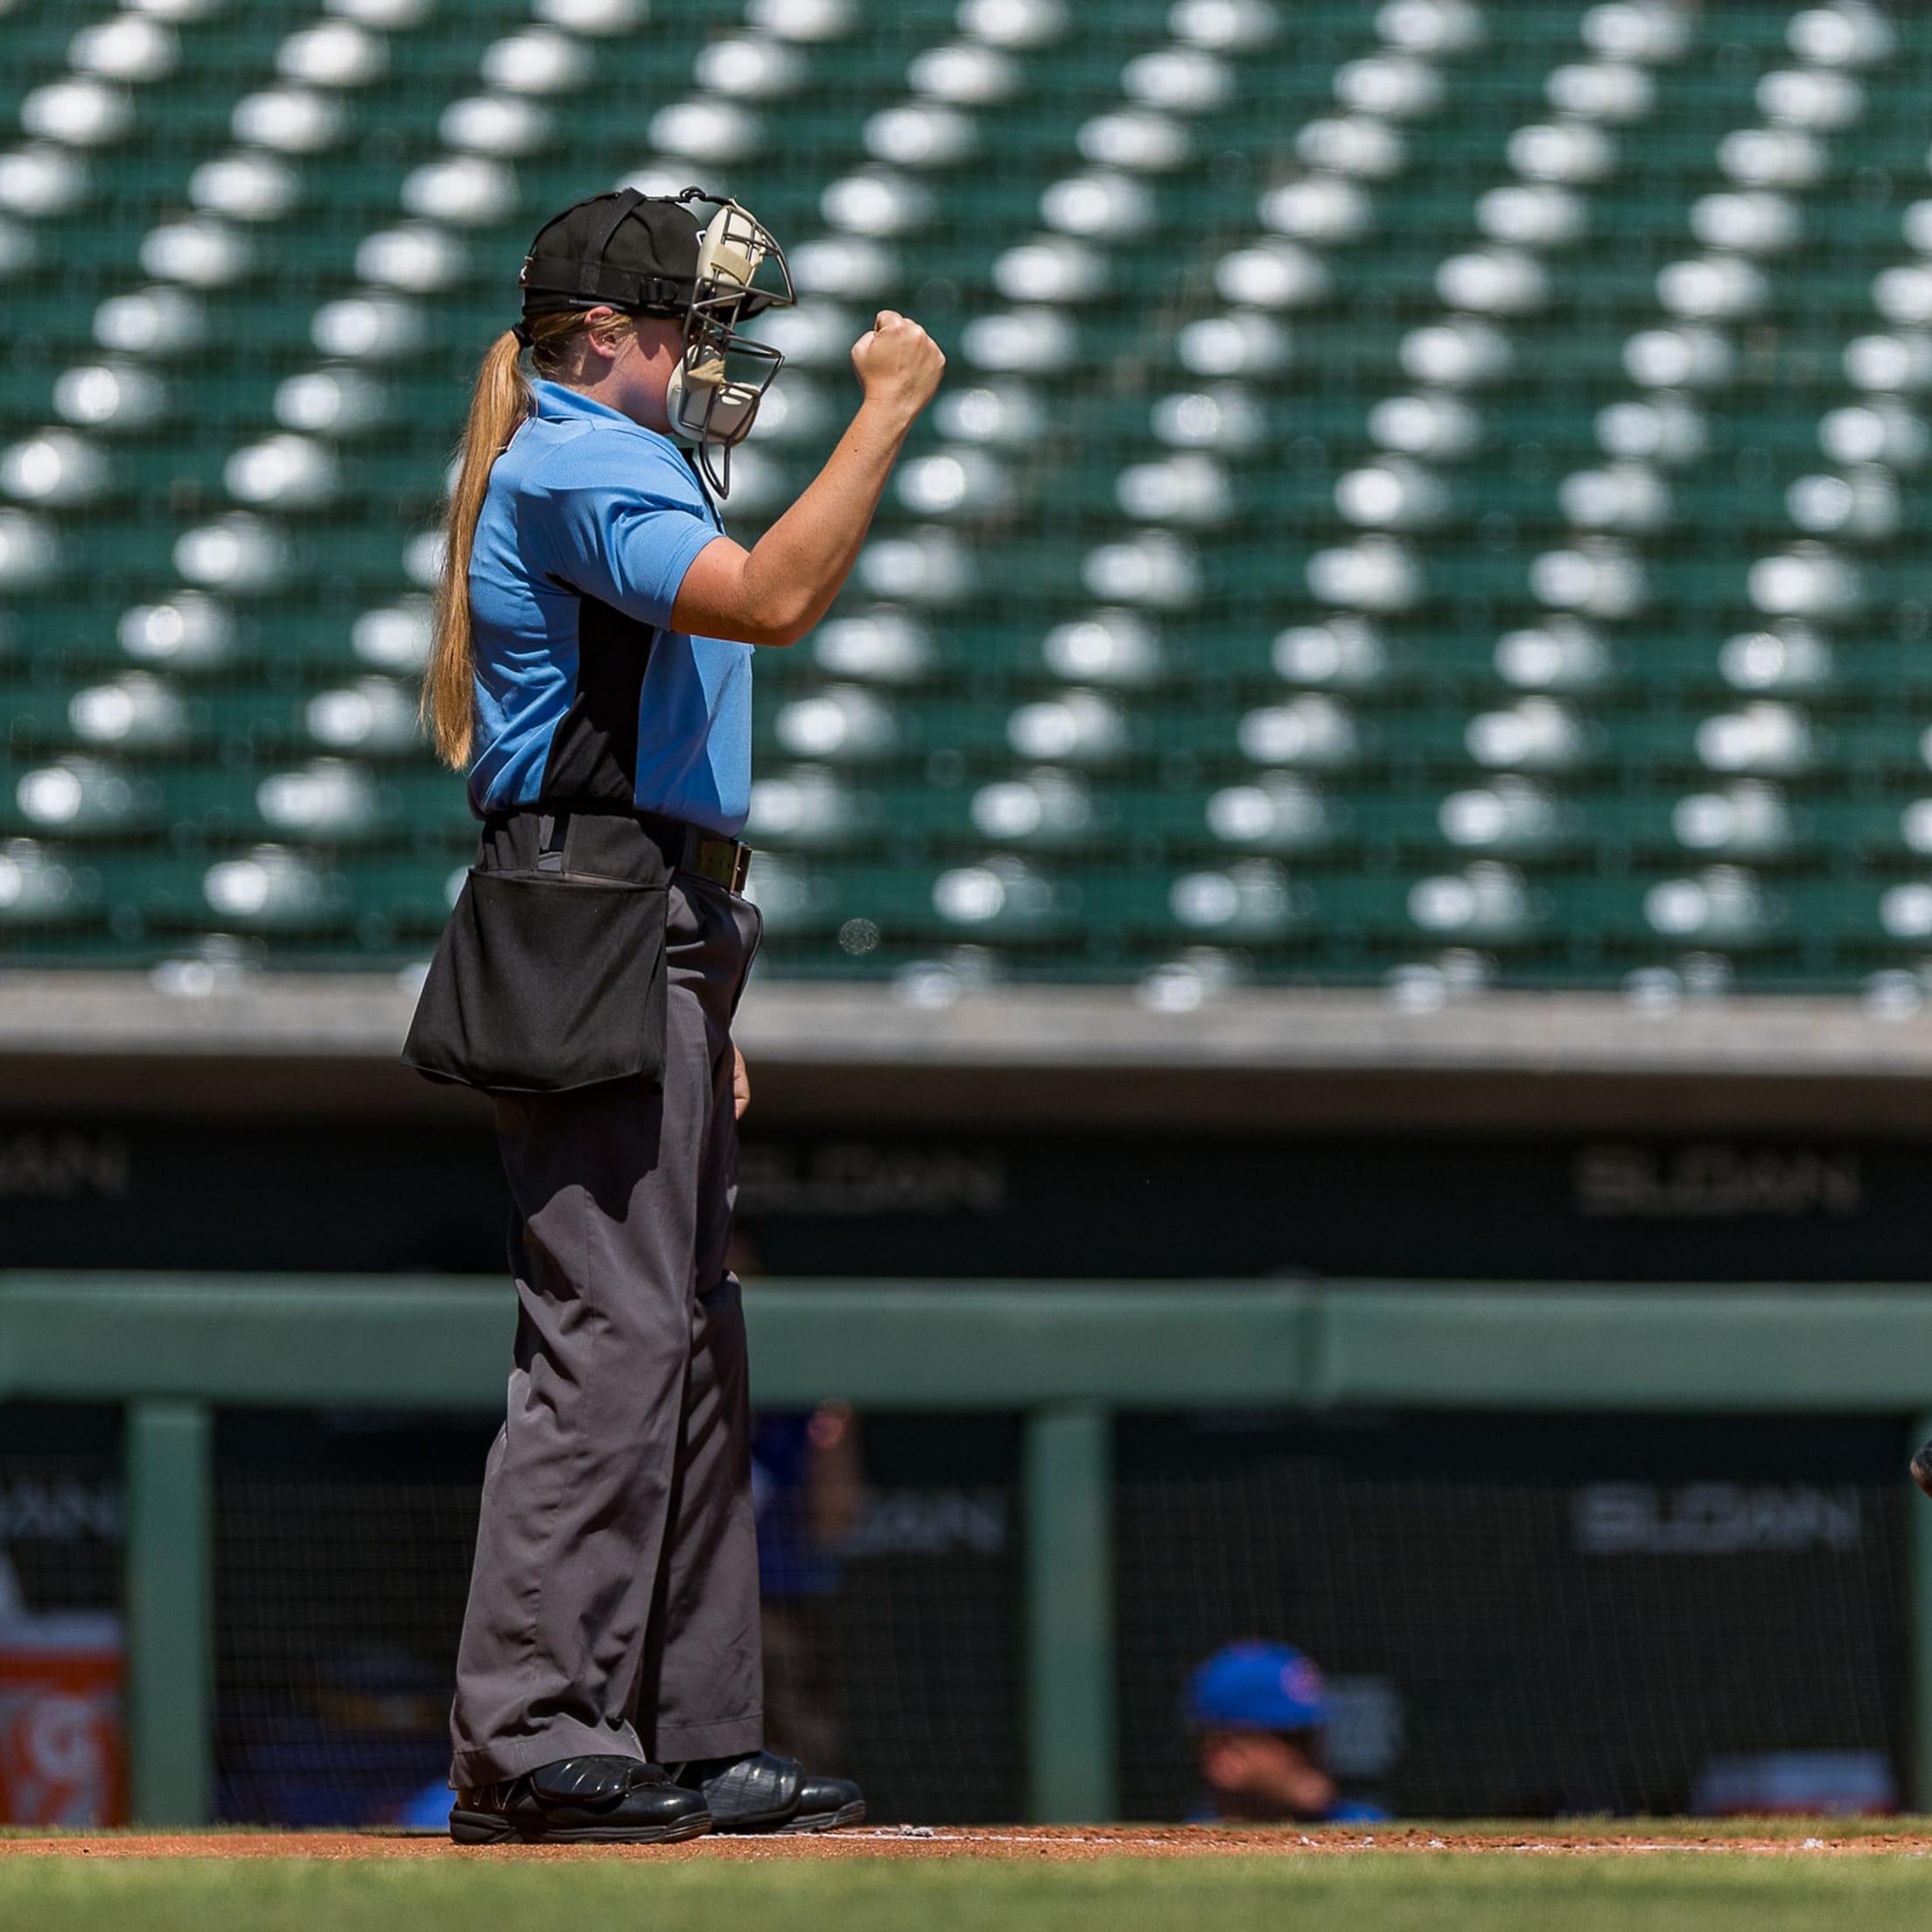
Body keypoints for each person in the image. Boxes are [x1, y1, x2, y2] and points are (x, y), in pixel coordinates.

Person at [402, 186, 944, 1844]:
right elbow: (773, 597)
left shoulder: (620, 457)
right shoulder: (575, 451)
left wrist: (708, 968)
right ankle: (529, 1735)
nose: (715, 361)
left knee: (693, 1339)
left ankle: (689, 1734)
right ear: (600, 340)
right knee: (616, 1338)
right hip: (598, 906)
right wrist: (889, 412)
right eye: (692, 331)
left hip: (663, 912)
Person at [1184, 1640, 1389, 1824]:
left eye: (1315, 1735)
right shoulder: (1182, 1855)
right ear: (1224, 1756)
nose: (1313, 1753)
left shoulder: (1368, 1828)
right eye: (1294, 1738)